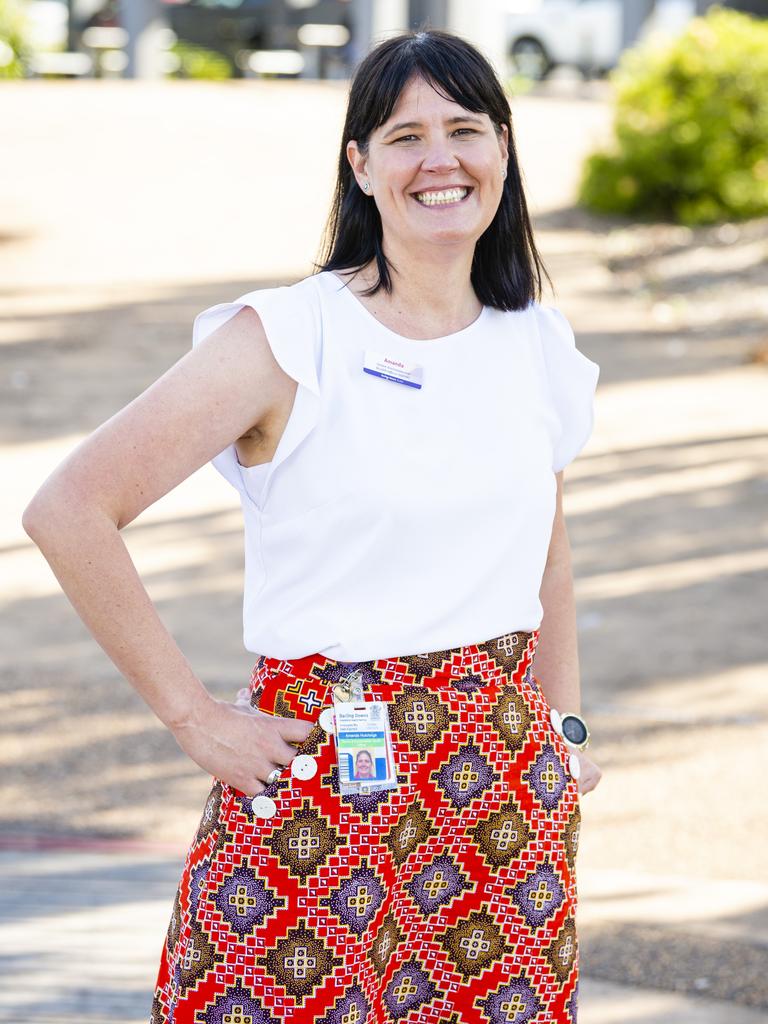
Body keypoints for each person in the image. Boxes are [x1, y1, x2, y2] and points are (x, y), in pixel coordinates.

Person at [22, 28, 602, 1024]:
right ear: (360, 165)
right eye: (406, 134)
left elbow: (545, 549)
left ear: (503, 150)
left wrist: (565, 729)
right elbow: (70, 509)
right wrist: (194, 718)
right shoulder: (290, 336)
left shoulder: (536, 342)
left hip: (504, 790)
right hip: (327, 771)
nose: (440, 159)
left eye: (465, 129)